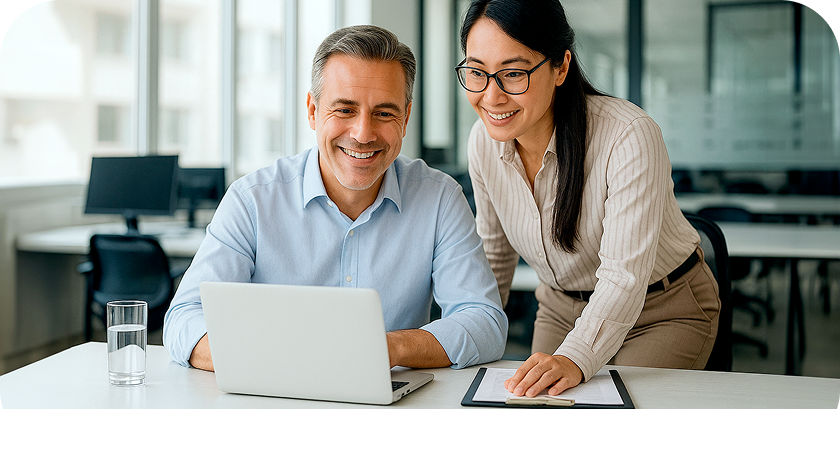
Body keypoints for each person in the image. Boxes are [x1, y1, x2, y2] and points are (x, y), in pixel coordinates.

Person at [164, 25, 508, 372]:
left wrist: (385, 347)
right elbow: (184, 322)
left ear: (405, 118)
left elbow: (484, 322)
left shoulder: (439, 199)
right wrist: (287, 359)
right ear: (313, 111)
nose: (362, 133)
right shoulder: (252, 201)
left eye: (384, 113)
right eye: (344, 110)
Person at [457, 0, 720, 397]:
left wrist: (574, 358)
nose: (491, 96)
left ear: (561, 67)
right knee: (525, 400)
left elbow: (623, 276)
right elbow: (494, 257)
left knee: (597, 404)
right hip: (561, 309)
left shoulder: (627, 135)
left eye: (513, 73)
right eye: (477, 72)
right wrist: (465, 333)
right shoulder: (482, 143)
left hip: (662, 310)